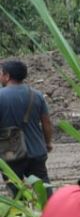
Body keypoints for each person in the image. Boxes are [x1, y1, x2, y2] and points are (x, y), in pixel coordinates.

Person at [0, 59, 53, 187]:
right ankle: (49, 207)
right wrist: (48, 143)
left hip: (10, 154)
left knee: (17, 191)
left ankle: (21, 206)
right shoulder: (36, 95)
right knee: (43, 188)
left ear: (7, 76)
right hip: (36, 151)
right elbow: (46, 123)